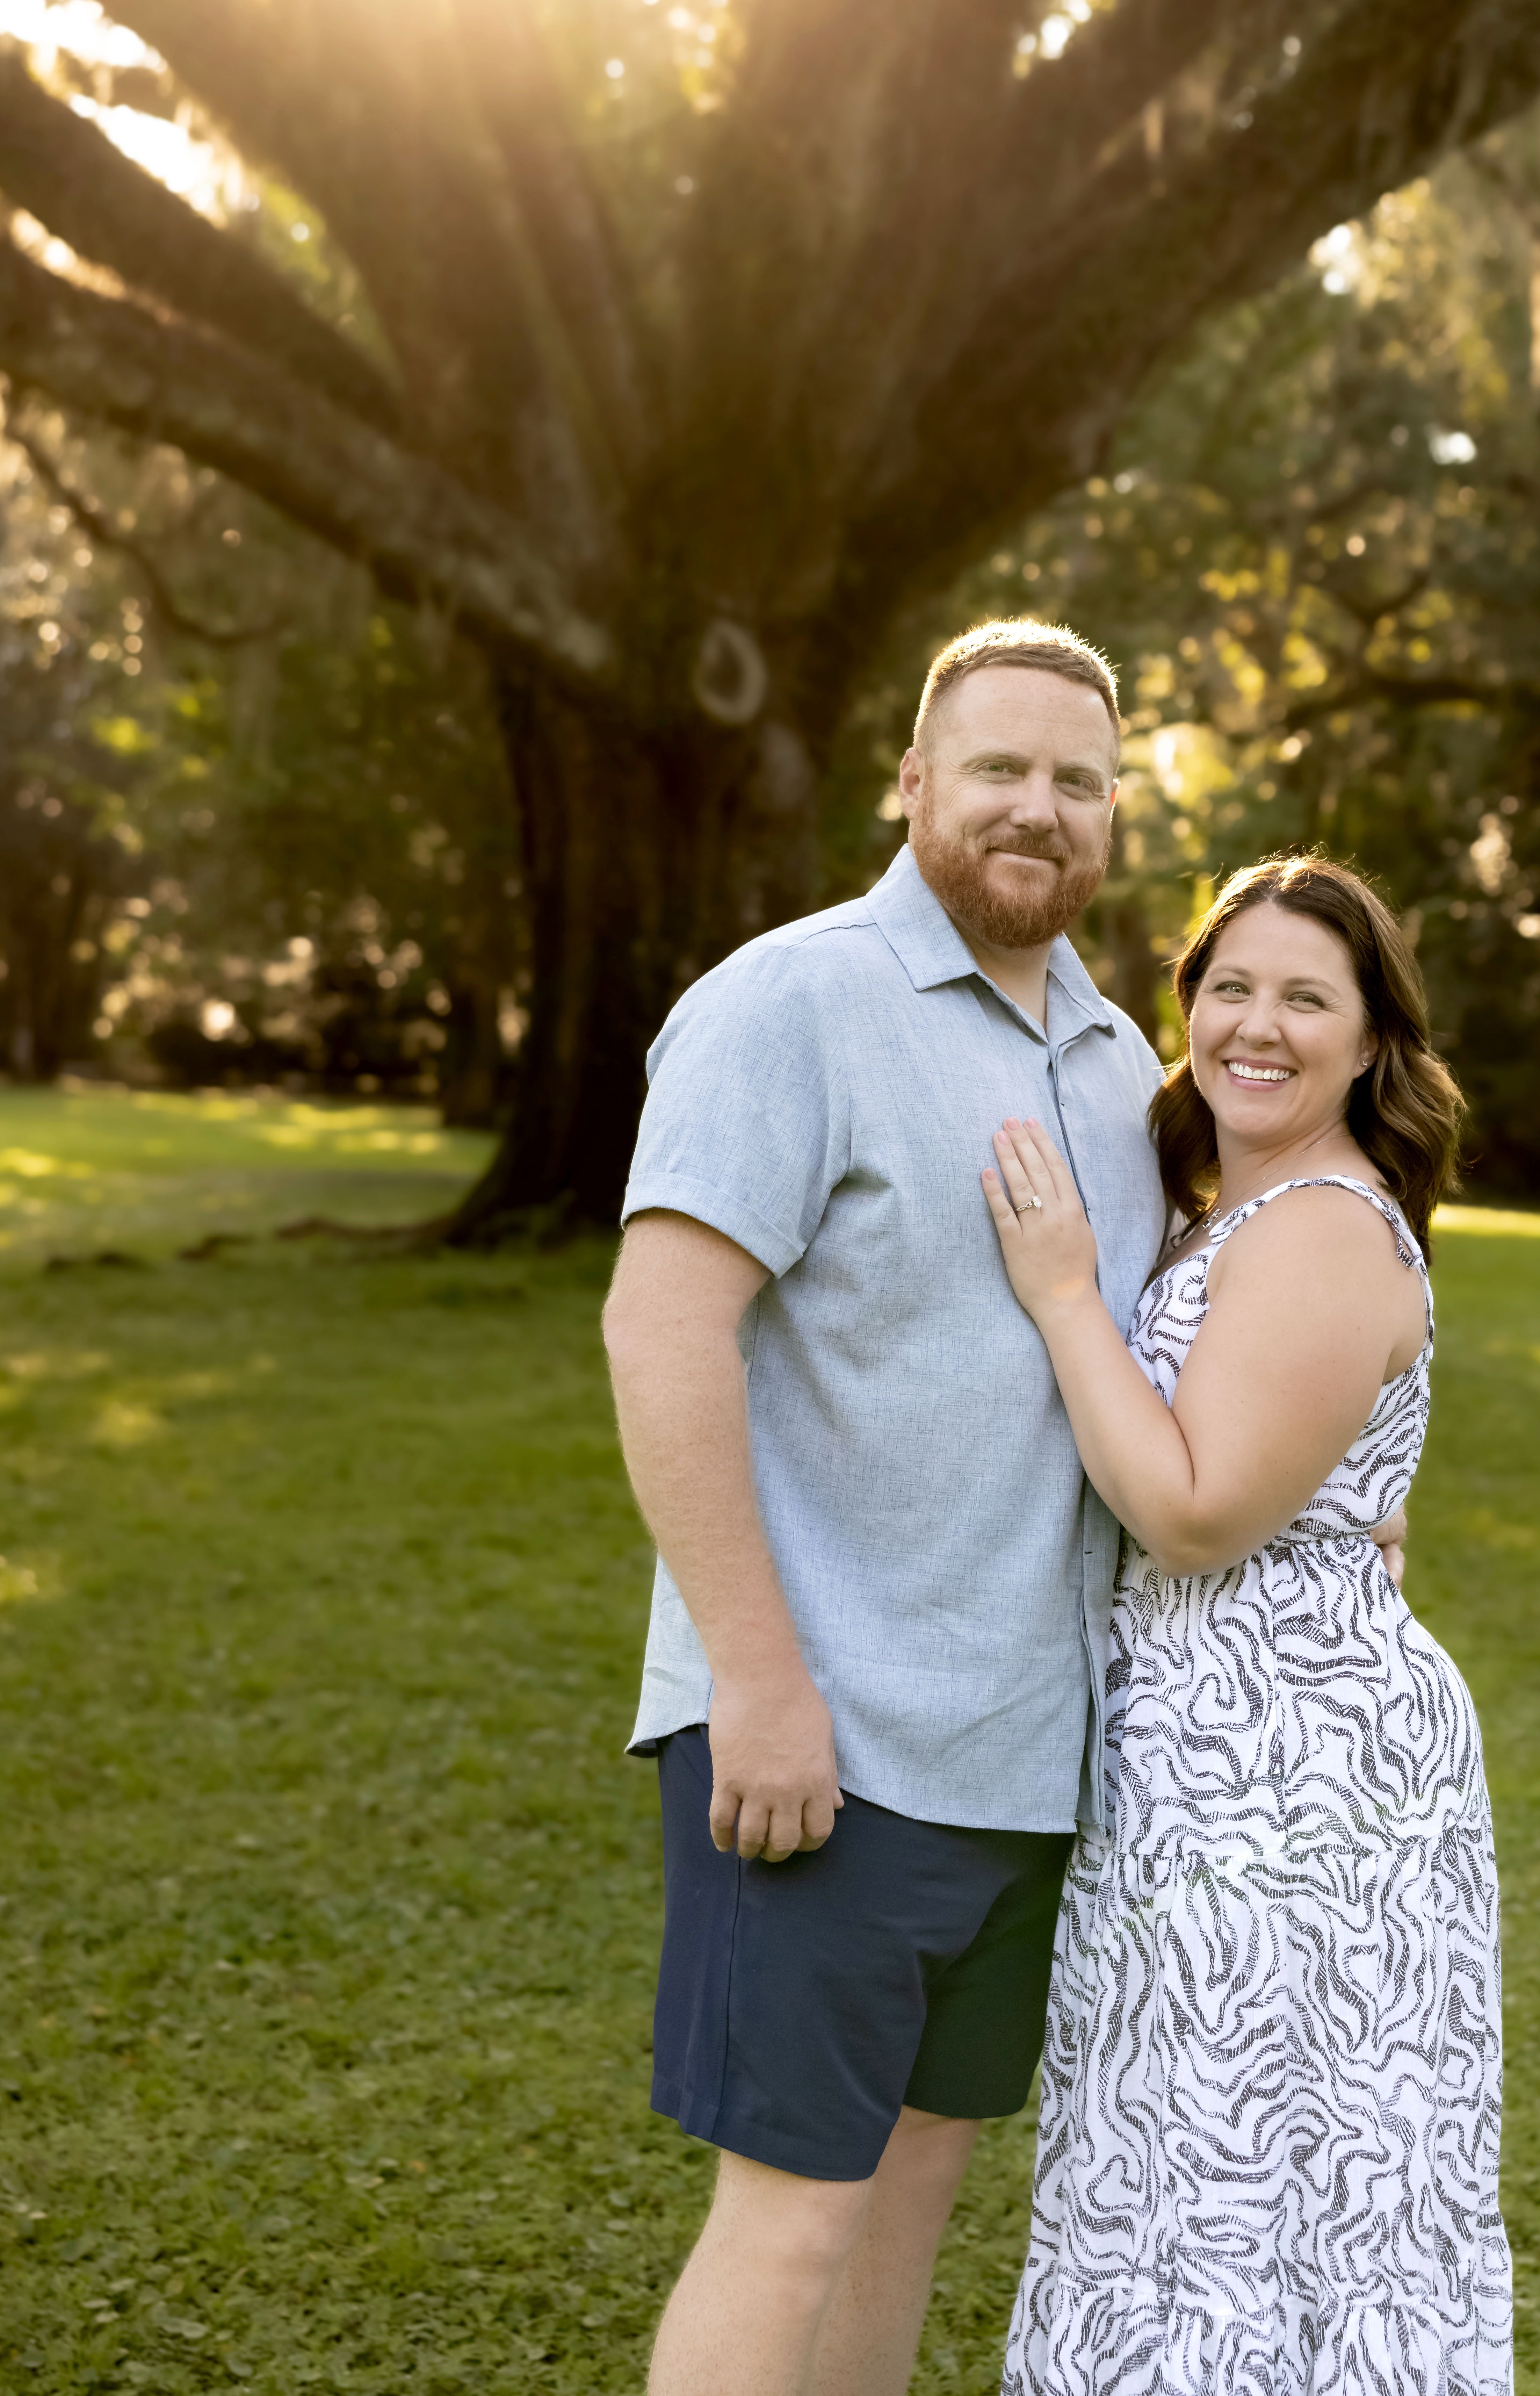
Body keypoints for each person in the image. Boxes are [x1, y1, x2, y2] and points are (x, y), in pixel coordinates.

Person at [602, 621, 1168, 2396]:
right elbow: (663, 1324)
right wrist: (754, 1680)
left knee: (912, 2197)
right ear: (911, 783)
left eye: (1078, 780)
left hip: (1023, 1759)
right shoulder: (792, 1000)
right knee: (789, 2215)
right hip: (824, 1740)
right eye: (999, 767)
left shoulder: (1112, 1059)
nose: (1039, 808)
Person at [985, 855, 1512, 2394]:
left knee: (1255, 2183)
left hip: (1297, 1783)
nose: (1258, 1024)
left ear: (1370, 1041)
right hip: (1221, 1758)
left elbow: (1201, 1510)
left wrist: (1066, 1292)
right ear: (1187, 1004)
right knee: (1183, 2168)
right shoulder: (1251, 1206)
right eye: (1230, 986)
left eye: (1306, 996)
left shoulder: (1324, 1224)